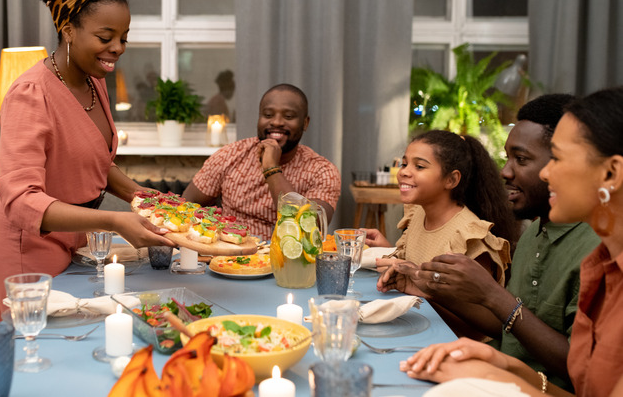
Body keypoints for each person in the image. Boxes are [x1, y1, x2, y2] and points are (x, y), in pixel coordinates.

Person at [0, 0, 173, 321]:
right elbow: (21, 201)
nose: (118, 47)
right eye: (105, 37)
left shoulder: (94, 82)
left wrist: (147, 198)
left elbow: (96, 161)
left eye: (124, 37)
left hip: (70, 237)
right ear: (68, 29)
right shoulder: (31, 94)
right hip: (22, 245)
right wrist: (115, 222)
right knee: (42, 345)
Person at [400, 87, 623, 397]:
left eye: (557, 158)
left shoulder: (599, 256)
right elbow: (515, 332)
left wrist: (506, 368)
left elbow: (573, 370)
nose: (505, 171)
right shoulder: (541, 236)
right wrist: (500, 363)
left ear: (611, 173)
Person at [182, 83, 341, 239]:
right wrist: (210, 233)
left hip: (286, 260)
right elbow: (189, 201)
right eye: (268, 115)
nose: (277, 122)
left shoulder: (323, 171)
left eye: (288, 116)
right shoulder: (230, 154)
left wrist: (272, 168)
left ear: (305, 123)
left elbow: (309, 227)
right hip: (229, 256)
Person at [374, 130, 518, 288]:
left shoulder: (469, 236)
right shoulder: (418, 213)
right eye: (404, 164)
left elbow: (476, 309)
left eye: (419, 166)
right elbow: (413, 261)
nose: (404, 172)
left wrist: (417, 286)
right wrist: (386, 250)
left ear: (451, 180)